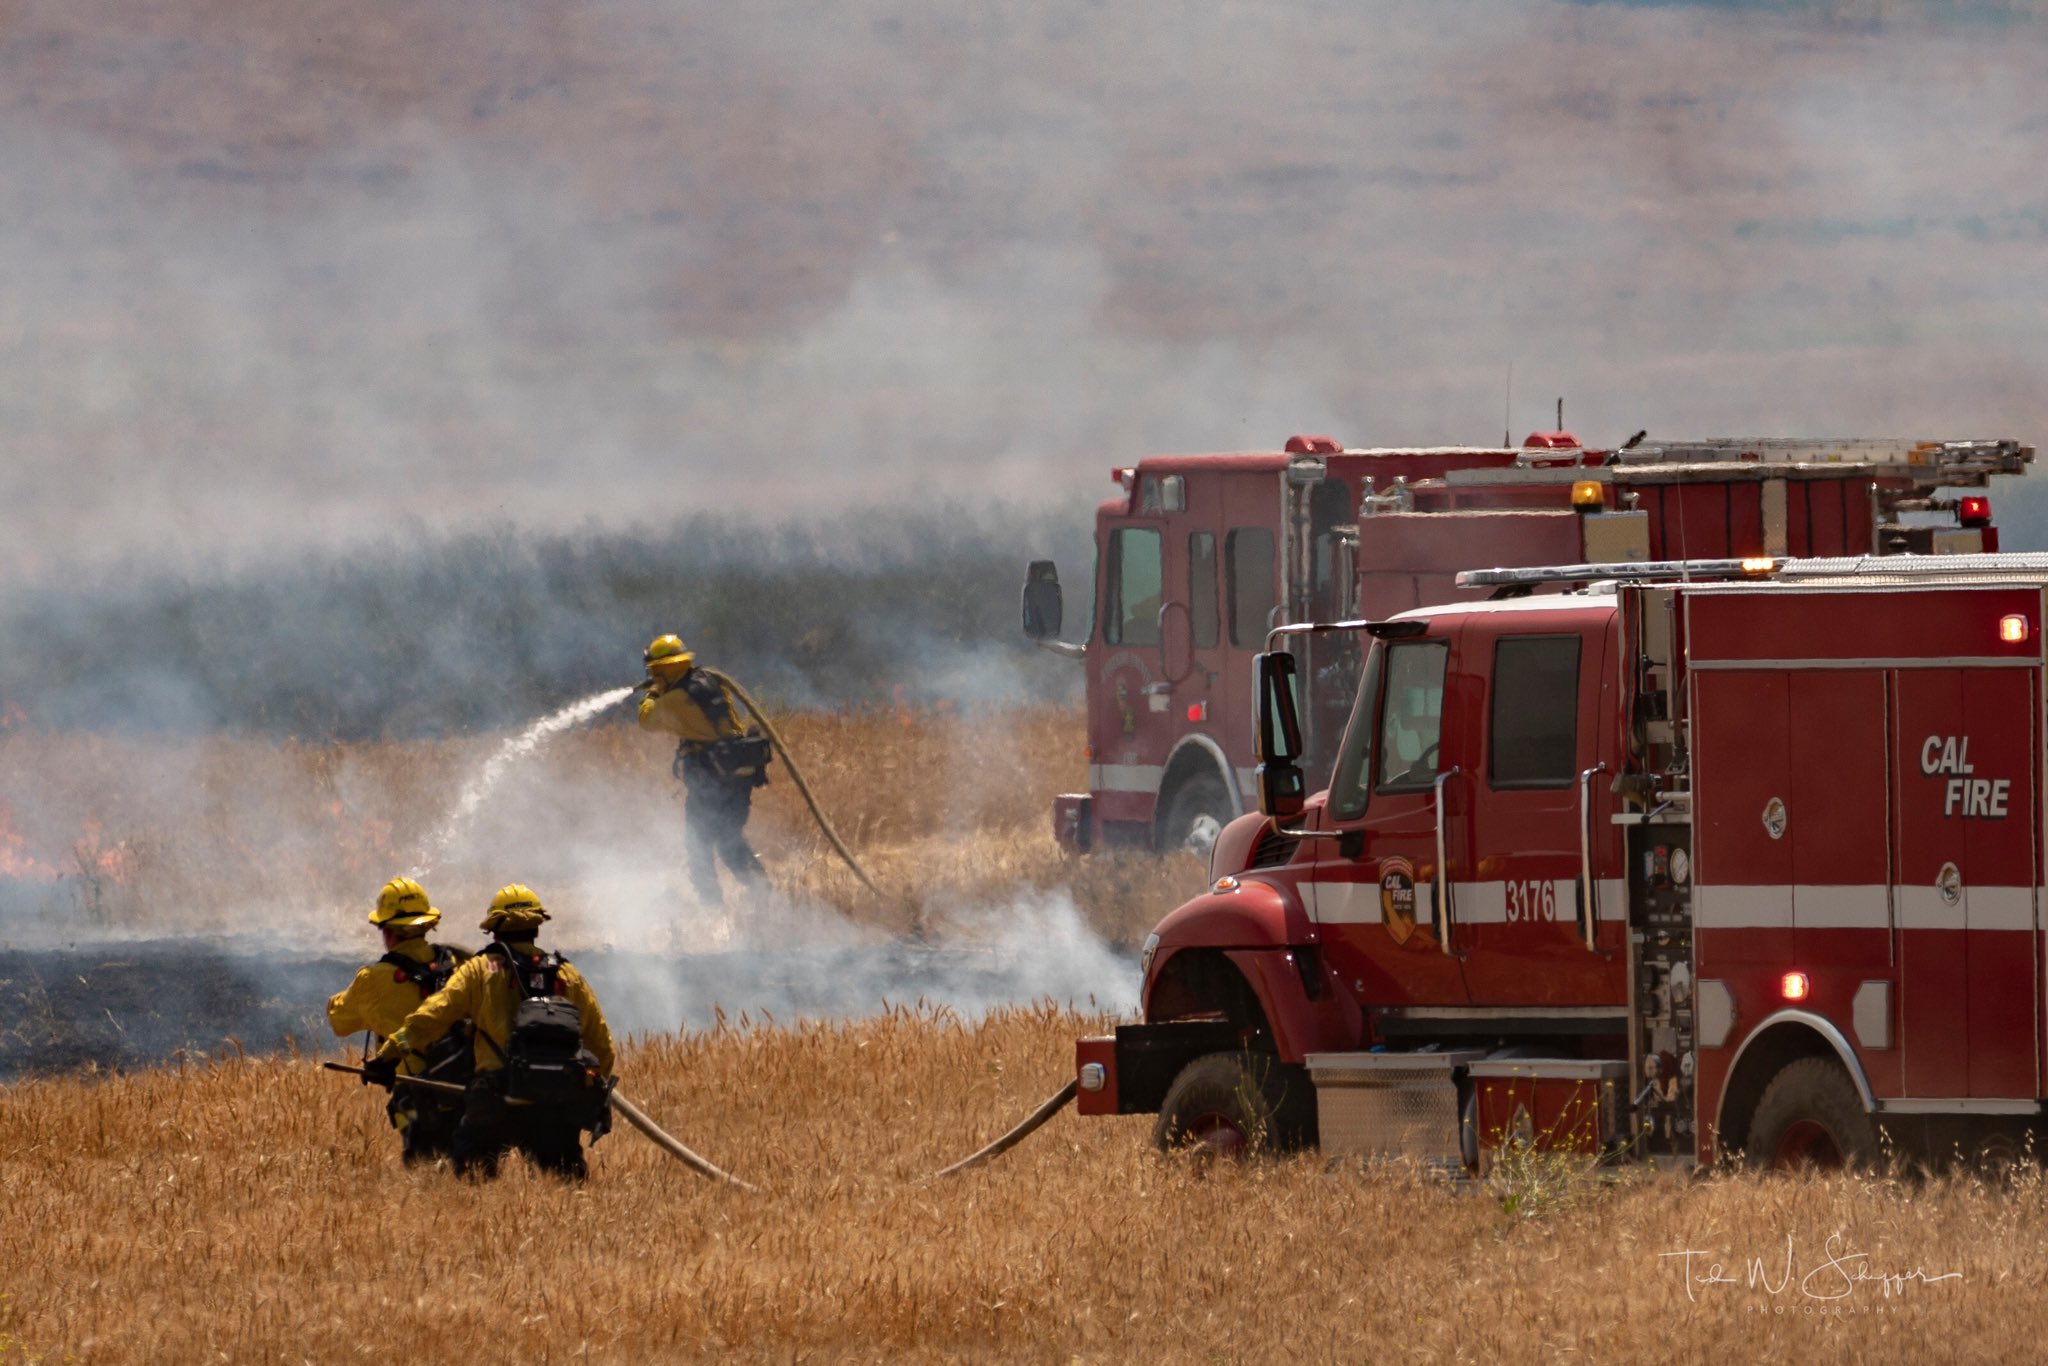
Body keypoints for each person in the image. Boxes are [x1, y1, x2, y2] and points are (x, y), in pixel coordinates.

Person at [365, 884, 616, 1180]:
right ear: (536, 927)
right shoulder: (566, 975)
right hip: (554, 1103)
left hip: (494, 1101)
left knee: (472, 1185)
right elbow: (603, 1046)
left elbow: (428, 1019)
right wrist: (584, 1088)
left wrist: (388, 1056)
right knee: (567, 1188)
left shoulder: (479, 972)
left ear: (494, 931)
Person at [327, 876, 472, 1164]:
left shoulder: (374, 979)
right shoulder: (459, 963)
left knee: (425, 1176)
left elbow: (339, 1021)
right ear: (428, 924)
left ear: (388, 932)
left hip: (418, 1094)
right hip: (470, 1087)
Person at [636, 633, 772, 905]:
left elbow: (646, 720)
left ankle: (714, 907)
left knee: (699, 844)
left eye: (655, 671)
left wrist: (651, 693)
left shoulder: (676, 698)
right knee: (727, 839)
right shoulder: (706, 682)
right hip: (734, 774)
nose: (653, 675)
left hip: (713, 778)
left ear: (664, 669)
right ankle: (760, 891)